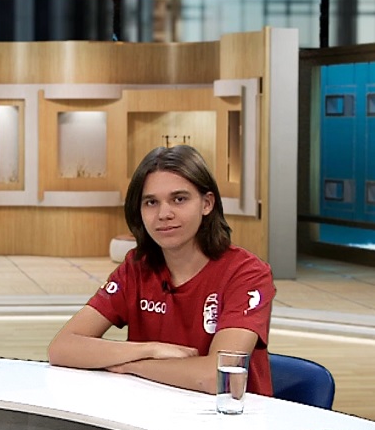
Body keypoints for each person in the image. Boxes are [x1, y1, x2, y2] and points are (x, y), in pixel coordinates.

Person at [48, 145, 275, 395]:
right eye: (151, 202)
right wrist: (150, 349)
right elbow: (62, 348)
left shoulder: (247, 273)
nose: (164, 214)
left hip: (229, 416)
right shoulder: (137, 267)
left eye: (179, 199)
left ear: (207, 203)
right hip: (152, 410)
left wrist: (133, 365)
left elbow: (216, 377)